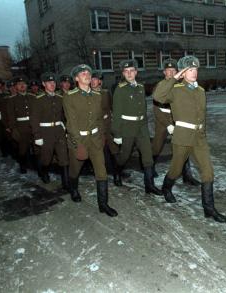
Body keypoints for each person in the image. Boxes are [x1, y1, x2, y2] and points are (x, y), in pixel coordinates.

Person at [153, 56, 226, 223]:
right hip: (182, 137)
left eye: (195, 70)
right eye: (189, 70)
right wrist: (174, 78)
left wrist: (203, 134)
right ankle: (166, 188)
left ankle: (209, 209)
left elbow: (202, 116)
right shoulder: (175, 89)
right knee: (176, 169)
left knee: (208, 171)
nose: (194, 73)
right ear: (183, 73)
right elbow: (158, 96)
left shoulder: (200, 91)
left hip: (199, 138)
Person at [63, 64, 117, 217]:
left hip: (95, 139)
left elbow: (99, 119)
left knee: (102, 171)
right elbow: (71, 124)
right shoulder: (69, 96)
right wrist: (78, 144)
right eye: (82, 73)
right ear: (76, 78)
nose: (86, 75)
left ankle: (103, 204)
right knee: (75, 168)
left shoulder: (97, 95)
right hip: (79, 140)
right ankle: (73, 189)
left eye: (88, 72)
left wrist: (101, 137)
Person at [111, 59, 162, 195]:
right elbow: (116, 114)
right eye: (126, 71)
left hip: (141, 127)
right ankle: (116, 172)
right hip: (127, 128)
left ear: (136, 72)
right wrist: (116, 134)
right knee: (124, 156)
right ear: (123, 73)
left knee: (148, 157)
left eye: (132, 71)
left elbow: (143, 108)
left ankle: (149, 185)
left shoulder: (140, 86)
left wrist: (144, 125)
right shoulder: (120, 89)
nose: (129, 73)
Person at [151, 58, 200, 186]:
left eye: (174, 70)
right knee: (157, 147)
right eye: (168, 71)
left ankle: (187, 175)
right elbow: (156, 110)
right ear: (164, 72)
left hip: (177, 121)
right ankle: (150, 168)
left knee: (183, 148)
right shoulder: (160, 86)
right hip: (162, 121)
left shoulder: (181, 86)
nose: (171, 73)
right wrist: (168, 125)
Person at [30, 72, 69, 189]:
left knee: (64, 158)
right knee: (46, 158)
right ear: (43, 84)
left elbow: (65, 116)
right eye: (48, 82)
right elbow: (34, 119)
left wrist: (66, 129)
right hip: (45, 132)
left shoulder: (60, 98)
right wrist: (37, 136)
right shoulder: (38, 99)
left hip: (59, 131)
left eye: (53, 82)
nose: (52, 84)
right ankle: (44, 172)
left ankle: (66, 183)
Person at [6, 76, 34, 173]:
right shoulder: (12, 100)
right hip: (21, 128)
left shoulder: (33, 97)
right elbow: (11, 116)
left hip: (34, 126)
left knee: (37, 148)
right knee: (23, 148)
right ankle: (23, 165)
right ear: (16, 87)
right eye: (19, 84)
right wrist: (14, 129)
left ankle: (37, 167)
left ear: (26, 85)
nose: (22, 86)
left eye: (24, 84)